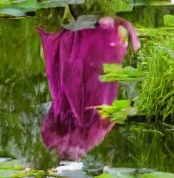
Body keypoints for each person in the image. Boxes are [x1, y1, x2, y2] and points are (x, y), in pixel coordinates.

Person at [39, 17, 140, 160]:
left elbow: (108, 120)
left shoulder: (70, 140)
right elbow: (107, 121)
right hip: (78, 85)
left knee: (81, 62)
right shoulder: (81, 139)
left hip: (81, 86)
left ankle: (82, 28)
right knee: (78, 63)